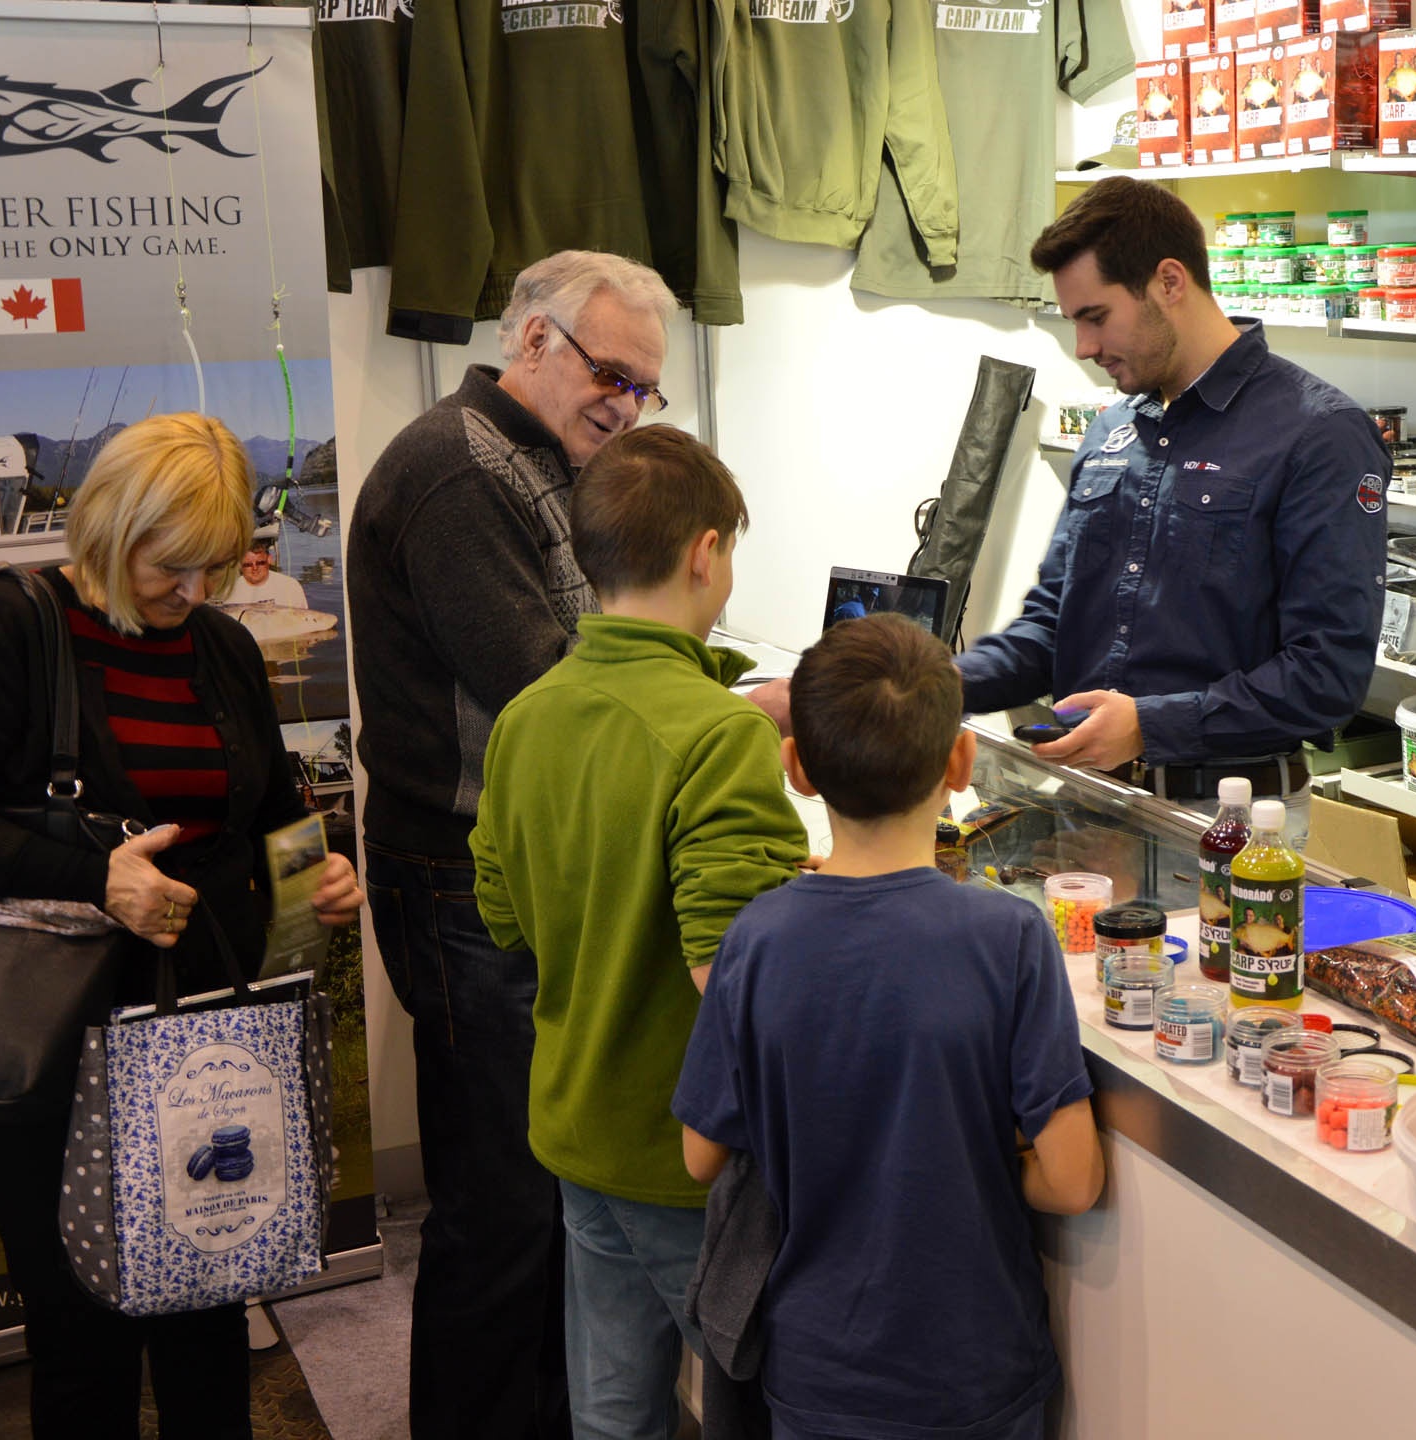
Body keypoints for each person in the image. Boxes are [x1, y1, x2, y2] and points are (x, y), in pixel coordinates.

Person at [346, 250, 677, 1440]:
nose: (626, 406)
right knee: (497, 1200)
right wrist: (701, 713)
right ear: (531, 341)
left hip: (515, 874)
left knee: (540, 1192)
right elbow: (542, 684)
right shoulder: (456, 469)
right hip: (456, 879)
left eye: (646, 389)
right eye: (612, 375)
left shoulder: (543, 460)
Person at [0, 412, 364, 1440]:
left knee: (211, 1317)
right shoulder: (19, 629)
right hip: (61, 1048)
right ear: (112, 527)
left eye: (213, 569)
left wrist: (316, 878)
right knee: (81, 1344)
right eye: (174, 567)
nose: (194, 593)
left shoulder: (221, 646)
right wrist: (96, 878)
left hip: (206, 1038)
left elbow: (271, 813)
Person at [674, 613, 1104, 1440]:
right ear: (961, 762)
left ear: (796, 768)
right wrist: (973, 1161)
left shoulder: (754, 941)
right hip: (979, 1370)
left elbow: (701, 1156)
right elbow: (1075, 1180)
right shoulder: (1009, 939)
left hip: (816, 1369)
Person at [469, 425, 809, 1440]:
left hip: (576, 1123)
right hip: (685, 1156)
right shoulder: (718, 735)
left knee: (613, 1410)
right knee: (757, 1402)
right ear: (707, 552)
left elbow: (502, 914)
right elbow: (734, 977)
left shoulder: (527, 716)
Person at [958, 175, 1389, 798]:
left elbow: (1327, 676)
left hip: (1231, 822)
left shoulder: (1319, 435)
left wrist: (1149, 726)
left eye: (1096, 317)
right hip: (1088, 802)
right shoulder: (1112, 429)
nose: (1084, 347)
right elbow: (1054, 624)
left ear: (1169, 282)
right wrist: (933, 687)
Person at [228, 541, 308, 607]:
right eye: (248, 565)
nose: (255, 568)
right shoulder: (230, 590)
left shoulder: (290, 586)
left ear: (269, 559)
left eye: (260, 563)